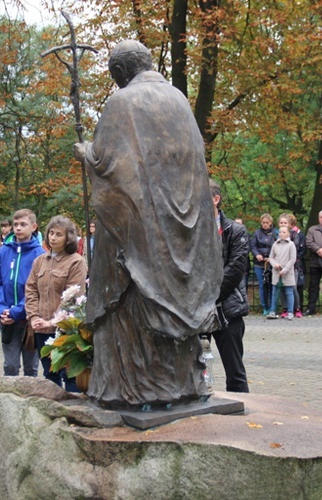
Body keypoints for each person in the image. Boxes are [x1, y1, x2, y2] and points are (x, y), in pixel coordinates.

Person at [74, 40, 221, 409]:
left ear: (120, 73)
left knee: (129, 303)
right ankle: (184, 385)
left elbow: (110, 165)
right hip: (178, 228)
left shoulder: (122, 102)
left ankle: (134, 391)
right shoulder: (179, 100)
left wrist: (86, 154)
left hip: (137, 230)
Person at [25, 216, 86, 391]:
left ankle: (72, 414)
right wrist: (34, 317)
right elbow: (30, 290)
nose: (53, 237)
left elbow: (73, 297)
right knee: (49, 374)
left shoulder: (75, 261)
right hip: (41, 328)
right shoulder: (39, 261)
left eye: (58, 234)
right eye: (51, 233)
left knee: (70, 376)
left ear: (68, 238)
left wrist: (53, 322)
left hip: (65, 330)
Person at [0, 209, 45, 377]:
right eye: (16, 224)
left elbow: (38, 289)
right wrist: (1, 310)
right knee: (10, 366)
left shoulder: (40, 255)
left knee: (31, 368)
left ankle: (29, 402)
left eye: (23, 224)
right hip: (7, 319)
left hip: (29, 319)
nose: (18, 228)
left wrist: (18, 311)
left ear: (33, 227)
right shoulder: (3, 252)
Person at [208, 180, 250, 392]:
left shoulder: (236, 231)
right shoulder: (189, 232)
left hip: (227, 309)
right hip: (198, 312)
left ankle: (244, 421)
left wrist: (211, 296)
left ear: (216, 199)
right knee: (195, 370)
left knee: (235, 372)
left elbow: (235, 270)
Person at [266, 226, 297, 320]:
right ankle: (273, 311)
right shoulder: (275, 244)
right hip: (276, 272)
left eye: (284, 232)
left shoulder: (291, 244)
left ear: (288, 233)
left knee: (289, 292)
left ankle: (290, 312)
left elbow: (292, 259)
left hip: (287, 272)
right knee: (274, 292)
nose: (281, 234)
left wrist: (285, 270)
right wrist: (274, 264)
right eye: (280, 232)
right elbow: (271, 257)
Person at [250, 214, 278, 315]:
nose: (265, 225)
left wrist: (272, 257)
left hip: (271, 263)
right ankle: (264, 306)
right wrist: (257, 254)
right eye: (263, 223)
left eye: (267, 223)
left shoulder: (275, 233)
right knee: (262, 285)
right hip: (259, 264)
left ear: (270, 223)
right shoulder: (257, 233)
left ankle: (272, 307)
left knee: (271, 285)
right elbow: (253, 246)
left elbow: (278, 246)